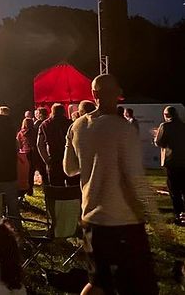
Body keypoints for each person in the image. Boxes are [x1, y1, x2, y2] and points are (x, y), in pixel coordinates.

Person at [64, 74, 160, 295]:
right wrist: (156, 219)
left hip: (91, 219)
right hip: (124, 222)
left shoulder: (78, 126)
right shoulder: (122, 129)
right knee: (141, 286)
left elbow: (69, 169)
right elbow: (135, 178)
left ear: (93, 94)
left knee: (98, 283)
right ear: (117, 94)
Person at [154, 106, 185, 225]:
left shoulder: (165, 126)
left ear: (166, 115)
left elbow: (160, 142)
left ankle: (179, 215)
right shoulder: (183, 126)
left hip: (172, 161)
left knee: (174, 190)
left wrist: (156, 136)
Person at [38, 103, 76, 186]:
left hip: (53, 158)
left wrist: (46, 160)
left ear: (52, 111)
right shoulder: (70, 123)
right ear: (63, 112)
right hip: (69, 157)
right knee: (73, 186)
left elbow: (40, 144)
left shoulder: (45, 124)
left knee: (56, 186)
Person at [16, 118, 36, 197]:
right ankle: (30, 189)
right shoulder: (35, 132)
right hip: (33, 153)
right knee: (32, 171)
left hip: (25, 153)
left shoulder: (21, 133)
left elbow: (19, 144)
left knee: (25, 172)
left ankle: (24, 188)